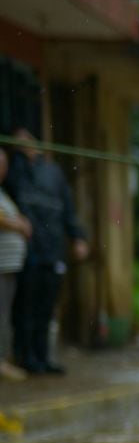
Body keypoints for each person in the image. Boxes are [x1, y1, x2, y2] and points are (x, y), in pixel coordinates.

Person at [4, 130, 87, 375]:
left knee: (46, 306)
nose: (25, 145)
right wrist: (18, 157)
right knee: (25, 306)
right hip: (27, 250)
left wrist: (78, 237)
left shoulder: (52, 172)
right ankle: (26, 356)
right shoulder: (14, 172)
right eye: (19, 142)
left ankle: (43, 357)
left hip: (52, 248)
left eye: (28, 140)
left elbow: (67, 207)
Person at [0, 148, 29, 382]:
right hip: (1, 264)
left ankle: (3, 360)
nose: (3, 169)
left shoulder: (3, 192)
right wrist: (18, 225)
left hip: (9, 265)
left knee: (6, 313)